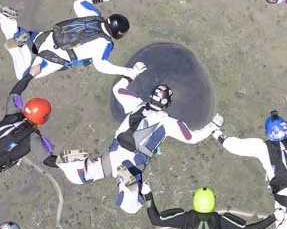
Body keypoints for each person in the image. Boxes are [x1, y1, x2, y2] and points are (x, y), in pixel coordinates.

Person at [56, 72, 221, 215]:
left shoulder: (136, 104)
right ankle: (129, 188)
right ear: (167, 103)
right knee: (131, 207)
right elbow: (192, 137)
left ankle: (72, 164)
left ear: (151, 96)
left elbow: (118, 89)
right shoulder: (167, 122)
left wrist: (131, 73)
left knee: (82, 176)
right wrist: (213, 125)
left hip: (113, 154)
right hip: (133, 162)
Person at [0, 0, 137, 88]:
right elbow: (101, 66)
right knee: (23, 75)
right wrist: (127, 71)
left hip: (46, 37)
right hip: (52, 57)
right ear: (118, 33)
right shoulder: (105, 44)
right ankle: (17, 46)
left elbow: (79, 3)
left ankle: (4, 17)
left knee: (16, 32)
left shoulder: (95, 17)